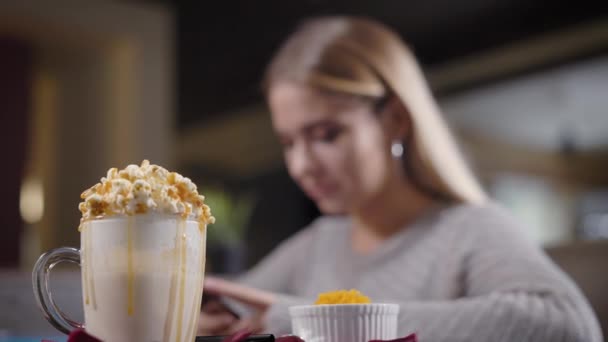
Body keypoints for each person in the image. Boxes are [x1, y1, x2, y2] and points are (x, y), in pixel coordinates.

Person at [199, 16, 602, 341]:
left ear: (394, 119)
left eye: (326, 135)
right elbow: (243, 305)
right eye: (288, 143)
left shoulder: (470, 229)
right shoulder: (319, 243)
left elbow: (569, 326)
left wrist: (303, 319)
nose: (301, 165)